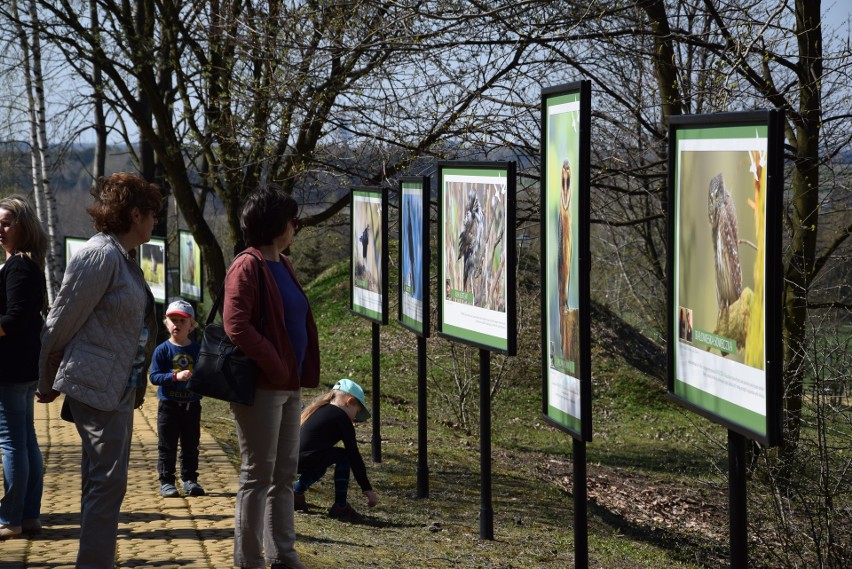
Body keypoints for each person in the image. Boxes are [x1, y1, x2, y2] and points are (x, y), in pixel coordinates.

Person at [36, 172, 161, 569]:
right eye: (152, 214)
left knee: (102, 484)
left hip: (116, 389)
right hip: (97, 387)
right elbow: (60, 321)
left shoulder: (123, 257)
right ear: (135, 214)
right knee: (107, 485)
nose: (155, 222)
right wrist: (45, 381)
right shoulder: (99, 255)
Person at [224, 183, 320, 569]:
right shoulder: (248, 264)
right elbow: (236, 325)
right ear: (275, 223)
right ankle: (248, 561)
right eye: (292, 219)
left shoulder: (284, 262)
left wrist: (293, 371)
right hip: (263, 387)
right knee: (257, 475)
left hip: (289, 386)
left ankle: (283, 555)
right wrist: (276, 364)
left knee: (283, 476)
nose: (296, 226)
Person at [0, 196, 48, 539]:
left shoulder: (19, 265)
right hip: (22, 366)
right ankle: (29, 517)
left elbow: (14, 319)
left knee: (12, 443)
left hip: (11, 367)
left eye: (5, 222)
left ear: (23, 227)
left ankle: (10, 519)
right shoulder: (25, 264)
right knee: (25, 441)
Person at [294, 379, 378, 520]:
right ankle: (340, 506)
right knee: (344, 456)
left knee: (321, 464)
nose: (354, 419)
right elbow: (354, 455)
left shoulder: (317, 409)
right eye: (356, 413)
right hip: (305, 460)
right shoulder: (341, 417)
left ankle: (296, 493)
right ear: (350, 401)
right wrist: (367, 488)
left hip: (289, 460)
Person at [148, 298, 205, 498]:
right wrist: (174, 376)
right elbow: (154, 377)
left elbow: (205, 375)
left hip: (192, 406)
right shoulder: (162, 350)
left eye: (182, 321)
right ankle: (166, 481)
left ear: (192, 325)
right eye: (172, 320)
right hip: (169, 406)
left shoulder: (198, 350)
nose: (176, 324)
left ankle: (190, 479)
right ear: (166, 323)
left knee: (190, 445)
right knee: (167, 445)